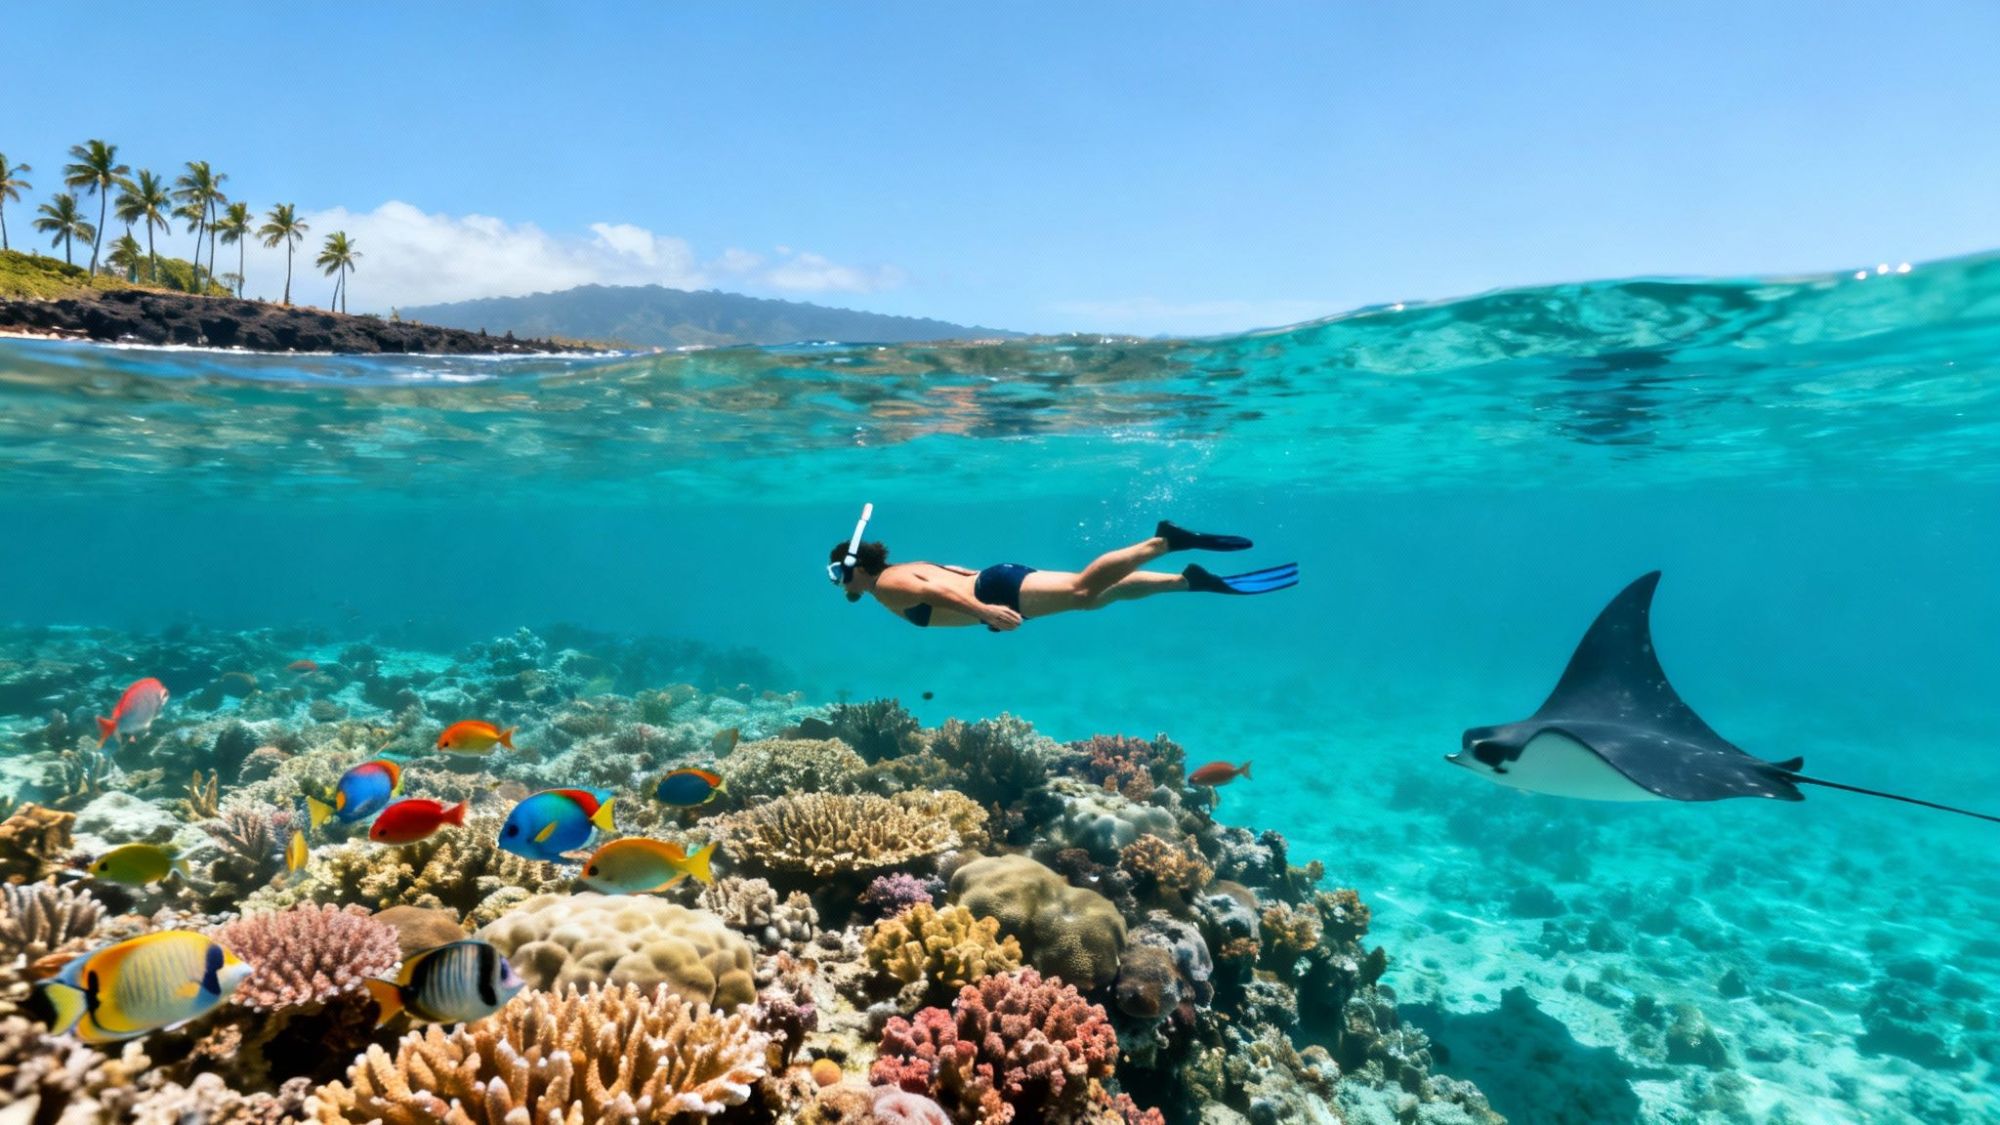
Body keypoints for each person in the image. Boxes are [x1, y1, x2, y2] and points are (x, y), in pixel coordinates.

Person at [827, 509, 1297, 631]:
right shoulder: (901, 570)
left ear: (856, 568)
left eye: (836, 573)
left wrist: (984, 611)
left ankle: (1163, 541)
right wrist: (983, 607)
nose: (837, 584)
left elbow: (939, 596)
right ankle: (1189, 580)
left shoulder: (888, 585)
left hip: (997, 594)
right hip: (997, 584)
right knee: (1093, 598)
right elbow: (955, 574)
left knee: (1079, 589)